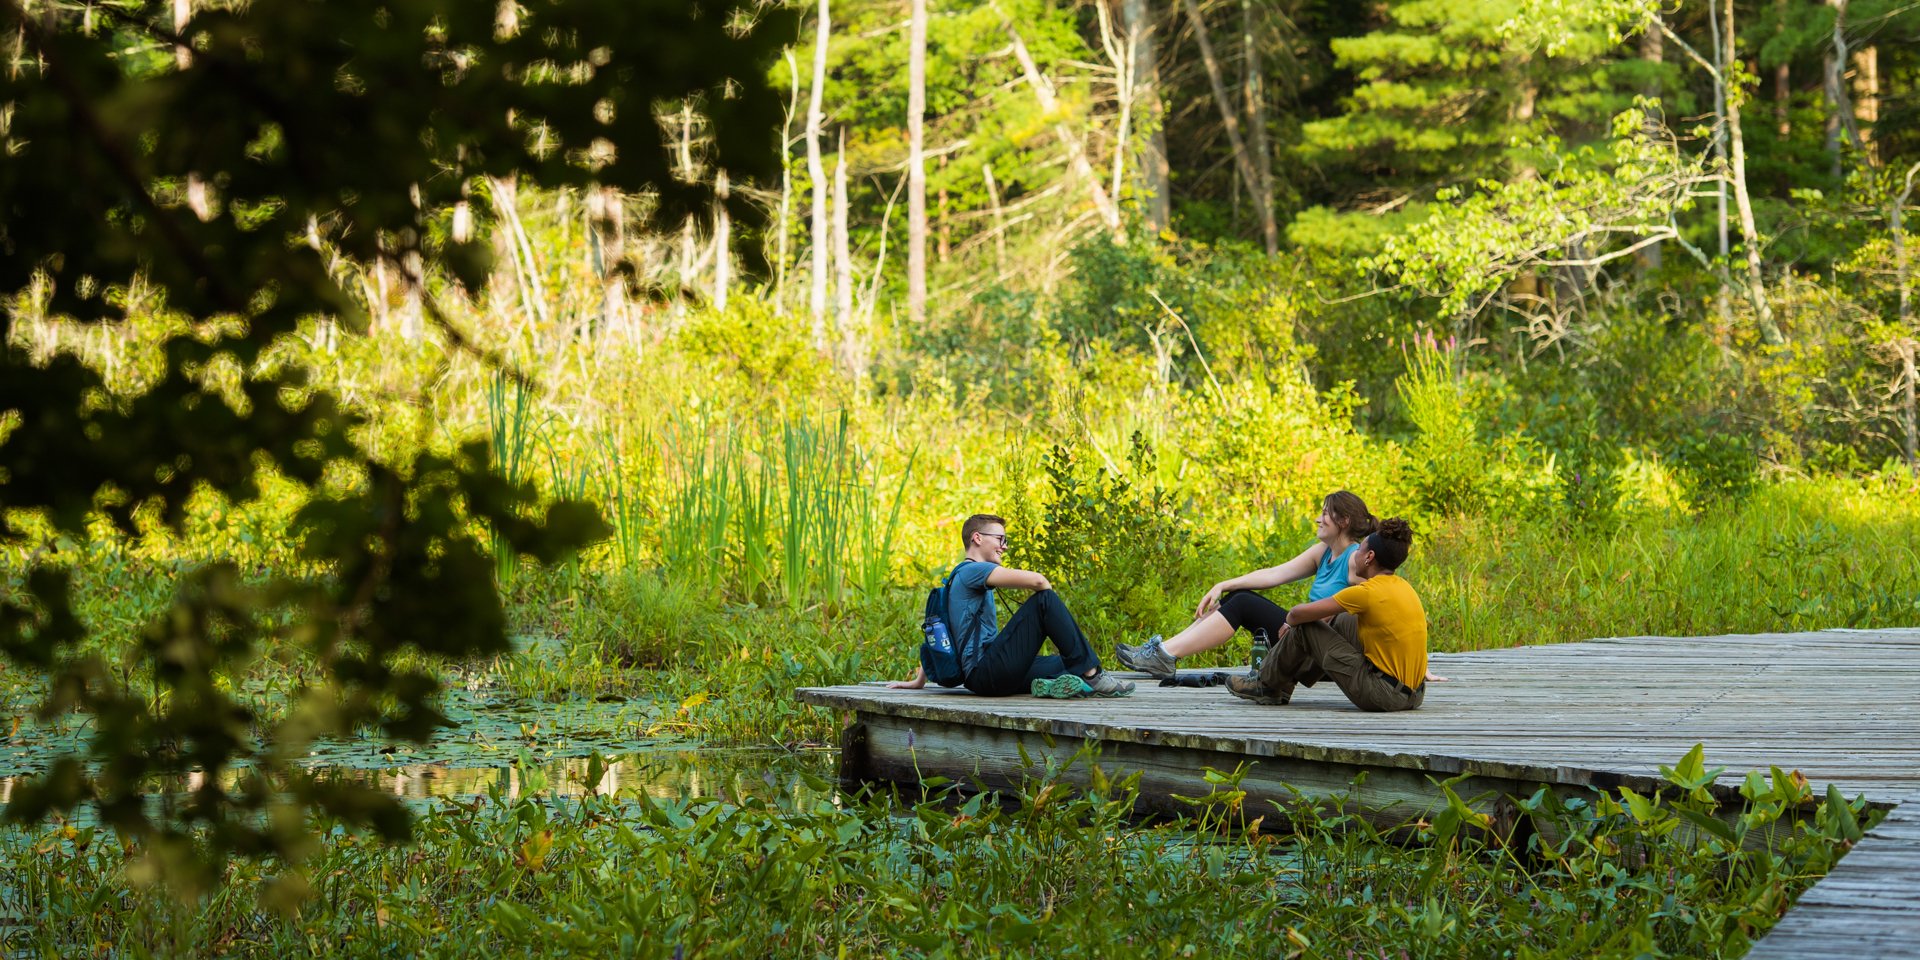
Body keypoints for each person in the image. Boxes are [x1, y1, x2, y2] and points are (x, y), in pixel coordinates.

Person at [1115, 491, 1378, 679]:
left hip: (1323, 655)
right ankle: (1163, 652)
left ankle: (1164, 654)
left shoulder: (1355, 560)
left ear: (1343, 522)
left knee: (1243, 603)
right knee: (1236, 596)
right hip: (1304, 640)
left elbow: (1380, 602)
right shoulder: (1323, 552)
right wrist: (1223, 584)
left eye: (1325, 514)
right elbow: (1274, 574)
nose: (1319, 519)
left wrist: (1403, 661)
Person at [888, 513, 1135, 699]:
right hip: (986, 673)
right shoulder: (972, 571)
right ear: (977, 538)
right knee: (1044, 601)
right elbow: (1039, 581)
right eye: (1000, 539)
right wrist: (1049, 614)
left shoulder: (954, 579)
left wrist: (920, 681)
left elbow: (941, 634)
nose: (1004, 546)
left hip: (987, 676)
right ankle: (1093, 677)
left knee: (1067, 661)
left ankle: (1050, 686)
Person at [1224, 517, 1426, 712]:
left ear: (1369, 557)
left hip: (1383, 695)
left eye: (1359, 548)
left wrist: (1289, 623)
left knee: (1306, 625)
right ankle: (1283, 681)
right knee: (1343, 619)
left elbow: (1296, 614)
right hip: (1414, 695)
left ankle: (1265, 684)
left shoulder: (1367, 593)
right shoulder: (1404, 588)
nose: (1355, 553)